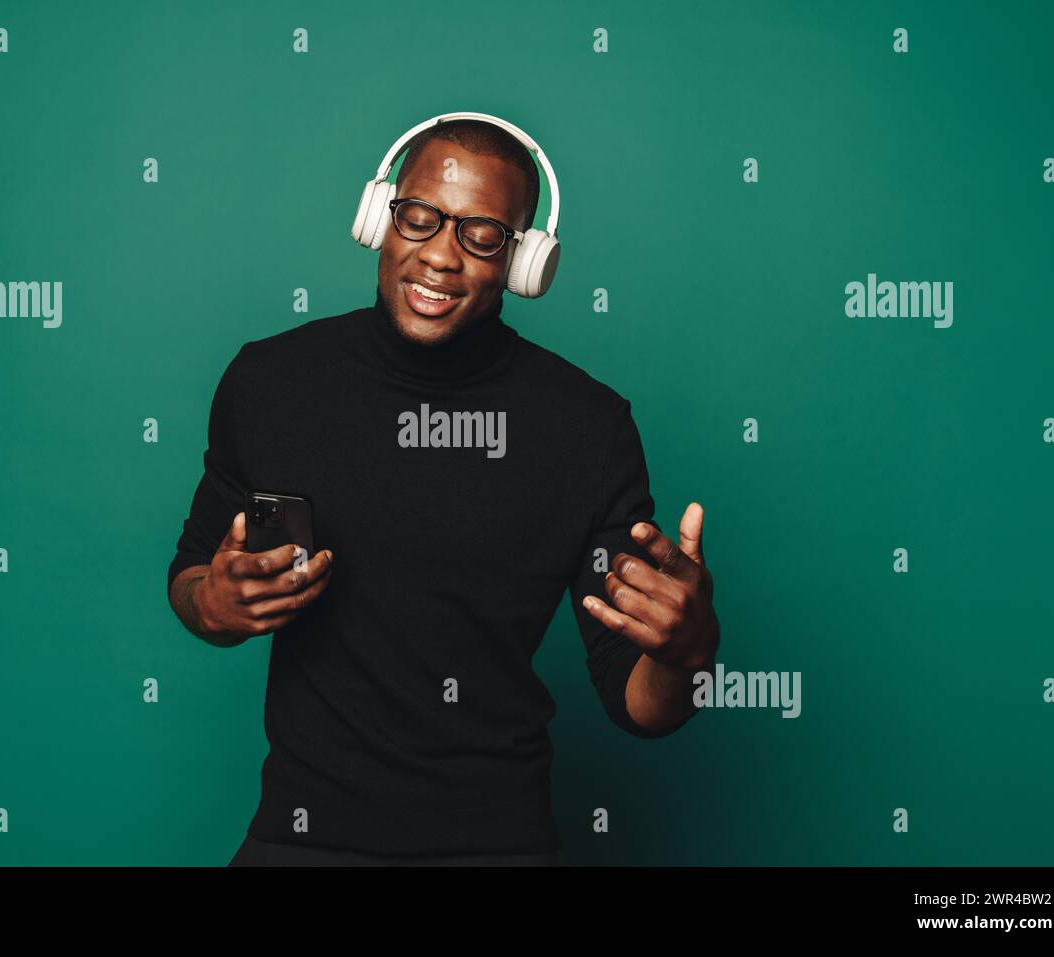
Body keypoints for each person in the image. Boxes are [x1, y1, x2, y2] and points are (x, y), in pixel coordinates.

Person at [166, 114, 721, 867]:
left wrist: (686, 656)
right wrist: (215, 602)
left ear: (525, 260)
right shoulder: (271, 382)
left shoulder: (586, 427)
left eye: (481, 234)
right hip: (301, 838)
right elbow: (194, 575)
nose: (440, 256)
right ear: (380, 218)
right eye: (420, 218)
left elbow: (638, 703)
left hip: (495, 846)